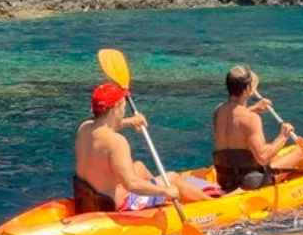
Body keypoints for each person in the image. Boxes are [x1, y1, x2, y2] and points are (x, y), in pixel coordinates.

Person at [72, 82, 218, 214]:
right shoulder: (116, 142)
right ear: (115, 107)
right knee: (172, 178)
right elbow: (131, 184)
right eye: (123, 105)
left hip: (88, 200)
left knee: (139, 167)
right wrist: (165, 191)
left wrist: (131, 121)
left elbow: (106, 126)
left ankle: (158, 203)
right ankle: (214, 205)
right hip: (113, 204)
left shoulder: (84, 128)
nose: (124, 108)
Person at [211, 65, 303, 192]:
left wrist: (253, 108)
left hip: (225, 180)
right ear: (247, 89)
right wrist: (283, 136)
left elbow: (235, 124)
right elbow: (263, 158)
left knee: (272, 154)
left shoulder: (218, 111)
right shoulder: (251, 119)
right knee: (301, 150)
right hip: (250, 182)